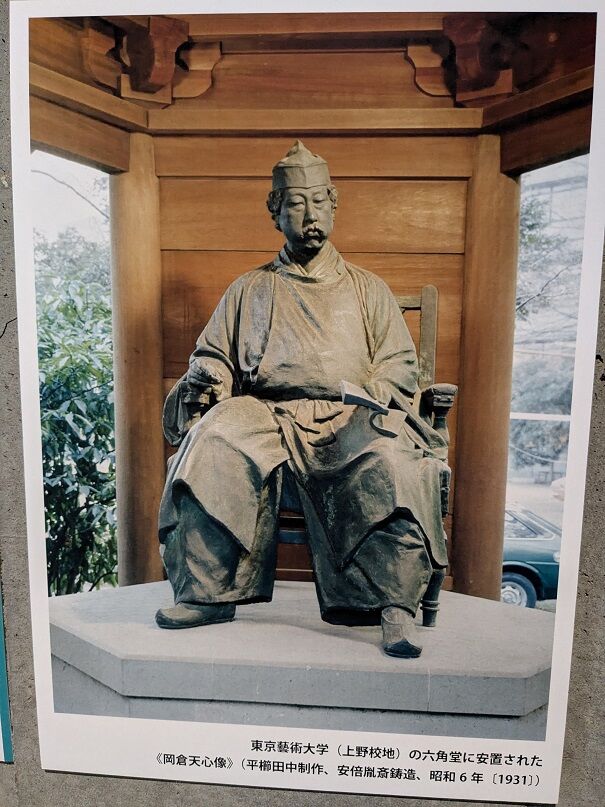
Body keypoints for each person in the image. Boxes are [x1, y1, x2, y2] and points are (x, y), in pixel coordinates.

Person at [156, 141, 450, 658]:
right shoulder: (249, 289)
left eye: (319, 202)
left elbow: (399, 365)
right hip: (265, 413)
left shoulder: (368, 290)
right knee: (211, 441)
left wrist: (376, 394)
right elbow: (214, 355)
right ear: (275, 212)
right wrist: (209, 375)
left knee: (391, 461)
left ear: (333, 204)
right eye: (296, 204)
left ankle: (393, 606)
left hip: (349, 416)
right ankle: (206, 593)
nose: (310, 216)